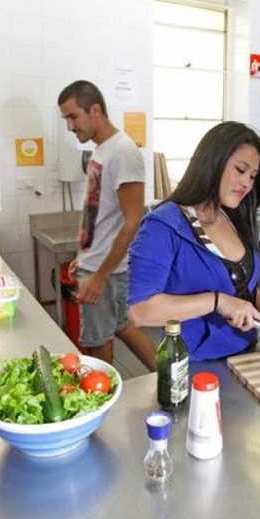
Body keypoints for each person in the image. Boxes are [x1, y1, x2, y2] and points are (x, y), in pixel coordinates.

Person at [127, 121, 260, 361]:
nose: (246, 184)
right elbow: (141, 310)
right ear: (212, 162)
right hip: (194, 367)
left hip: (248, 358)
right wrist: (217, 302)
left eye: (252, 176)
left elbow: (243, 284)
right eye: (240, 170)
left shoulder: (233, 217)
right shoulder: (163, 225)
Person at [58, 80, 158, 371]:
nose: (69, 126)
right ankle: (169, 377)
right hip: (97, 262)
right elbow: (99, 213)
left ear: (95, 110)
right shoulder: (101, 150)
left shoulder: (123, 152)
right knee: (122, 325)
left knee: (97, 341)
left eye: (73, 116)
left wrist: (99, 275)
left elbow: (132, 220)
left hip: (107, 269)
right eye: (66, 118)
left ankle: (105, 404)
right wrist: (84, 254)